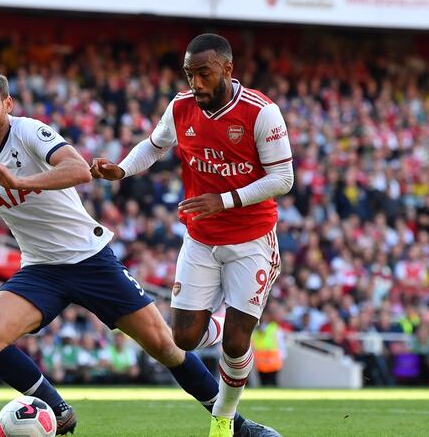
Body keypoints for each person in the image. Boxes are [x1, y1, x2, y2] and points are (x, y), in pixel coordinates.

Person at [0, 69, 278, 437]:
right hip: (41, 269)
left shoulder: (30, 132)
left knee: (167, 346)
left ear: (7, 104)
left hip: (90, 259)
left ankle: (238, 426)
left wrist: (21, 180)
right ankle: (58, 410)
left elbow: (78, 170)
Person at [91, 33, 293, 437]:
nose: (196, 83)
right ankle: (228, 319)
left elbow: (283, 178)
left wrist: (225, 200)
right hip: (199, 239)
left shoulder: (261, 112)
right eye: (189, 74)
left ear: (227, 69)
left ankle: (222, 421)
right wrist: (123, 170)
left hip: (251, 239)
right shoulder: (180, 106)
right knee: (184, 339)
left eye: (204, 74)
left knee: (237, 343)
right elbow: (154, 146)